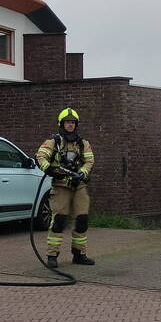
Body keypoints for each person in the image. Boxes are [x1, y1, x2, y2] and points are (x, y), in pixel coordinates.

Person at [36, 108, 96, 268]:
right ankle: (52, 255)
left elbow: (89, 161)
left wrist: (82, 173)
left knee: (82, 220)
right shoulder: (53, 142)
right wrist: (50, 169)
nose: (70, 125)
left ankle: (79, 254)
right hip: (61, 186)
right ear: (62, 123)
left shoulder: (83, 144)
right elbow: (40, 156)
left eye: (73, 122)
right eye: (67, 122)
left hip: (79, 186)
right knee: (59, 221)